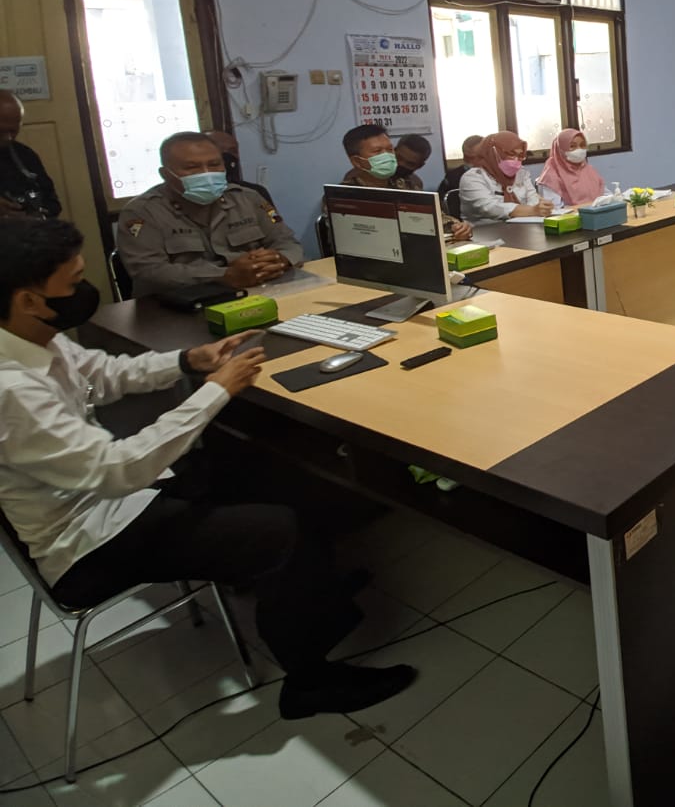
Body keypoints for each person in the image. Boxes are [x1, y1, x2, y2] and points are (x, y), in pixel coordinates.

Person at [0, 219, 415, 718]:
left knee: (278, 472)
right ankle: (310, 681)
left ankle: (313, 597)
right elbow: (118, 470)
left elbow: (103, 374)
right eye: (72, 281)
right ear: (28, 298)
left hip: (117, 497)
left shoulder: (31, 336)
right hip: (92, 538)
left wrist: (187, 361)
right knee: (280, 529)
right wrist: (218, 389)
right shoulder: (11, 390)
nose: (83, 289)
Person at [118, 132, 304, 295]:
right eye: (192, 167)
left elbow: (287, 241)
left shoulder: (247, 198)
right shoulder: (142, 211)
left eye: (214, 164)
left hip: (254, 292)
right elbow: (149, 271)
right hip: (176, 304)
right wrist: (225, 276)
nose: (206, 173)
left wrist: (279, 260)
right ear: (166, 174)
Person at [337, 125, 470, 241]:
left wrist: (456, 227)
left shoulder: (406, 185)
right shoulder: (342, 197)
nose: (388, 156)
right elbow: (351, 239)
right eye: (377, 151)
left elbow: (434, 217)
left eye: (389, 150)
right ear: (357, 161)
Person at [457, 132, 552, 222]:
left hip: (521, 228)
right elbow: (490, 207)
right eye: (511, 154)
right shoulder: (472, 178)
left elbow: (532, 197)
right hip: (484, 232)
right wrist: (532, 210)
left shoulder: (521, 172)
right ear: (494, 153)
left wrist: (541, 207)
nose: (516, 160)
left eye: (519, 155)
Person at [0, 91, 62, 220]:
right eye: (1, 131)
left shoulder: (24, 155)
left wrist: (38, 214)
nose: (7, 138)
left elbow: (52, 203)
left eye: (13, 131)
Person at [203, 129, 275, 208]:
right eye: (217, 150)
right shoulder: (194, 196)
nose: (226, 156)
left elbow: (274, 218)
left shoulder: (256, 193)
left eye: (232, 151)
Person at [537, 128, 607, 208]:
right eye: (572, 146)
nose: (579, 150)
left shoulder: (589, 170)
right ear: (561, 149)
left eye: (582, 145)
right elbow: (554, 209)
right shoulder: (551, 176)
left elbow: (605, 195)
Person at [439, 134, 483, 200]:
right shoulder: (452, 176)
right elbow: (440, 200)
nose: (469, 162)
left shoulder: (497, 175)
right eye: (466, 157)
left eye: (473, 158)